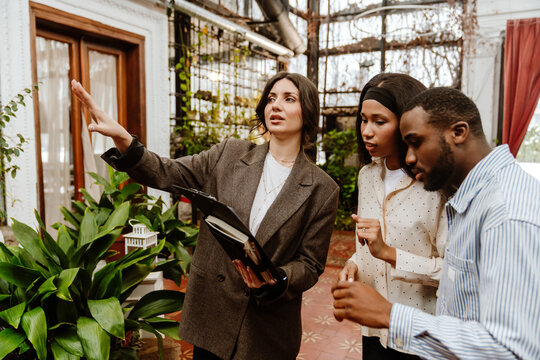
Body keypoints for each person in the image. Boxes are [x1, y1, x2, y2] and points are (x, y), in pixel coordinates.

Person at [71, 72, 339, 360]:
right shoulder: (230, 154)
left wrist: (278, 280)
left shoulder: (322, 189)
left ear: (308, 113)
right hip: (214, 312)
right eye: (271, 98)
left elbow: (310, 263)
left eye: (289, 99)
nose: (276, 105)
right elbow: (167, 172)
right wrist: (125, 140)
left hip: (267, 327)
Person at [332, 87, 540, 359]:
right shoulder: (473, 200)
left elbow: (511, 348)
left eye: (416, 142)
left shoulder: (505, 213)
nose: (409, 157)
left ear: (458, 132)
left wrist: (389, 314)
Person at [338, 73, 447, 360]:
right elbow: (368, 244)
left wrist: (389, 253)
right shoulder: (367, 175)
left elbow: (451, 273)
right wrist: (353, 263)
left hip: (420, 333)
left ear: (407, 124)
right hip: (373, 329)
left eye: (380, 121)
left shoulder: (436, 186)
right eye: (363, 119)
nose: (366, 131)